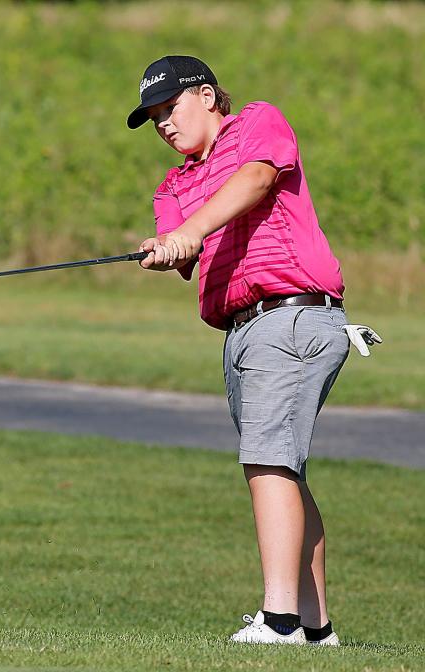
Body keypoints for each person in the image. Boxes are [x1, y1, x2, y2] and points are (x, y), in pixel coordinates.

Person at [127, 55, 376, 646]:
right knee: (283, 468)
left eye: (171, 108)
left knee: (267, 460)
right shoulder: (174, 185)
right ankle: (316, 630)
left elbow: (258, 179)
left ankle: (280, 621)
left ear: (208, 95)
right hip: (242, 331)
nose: (163, 124)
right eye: (153, 118)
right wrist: (168, 249)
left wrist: (190, 231)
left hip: (290, 317)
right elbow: (186, 252)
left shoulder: (257, 123)